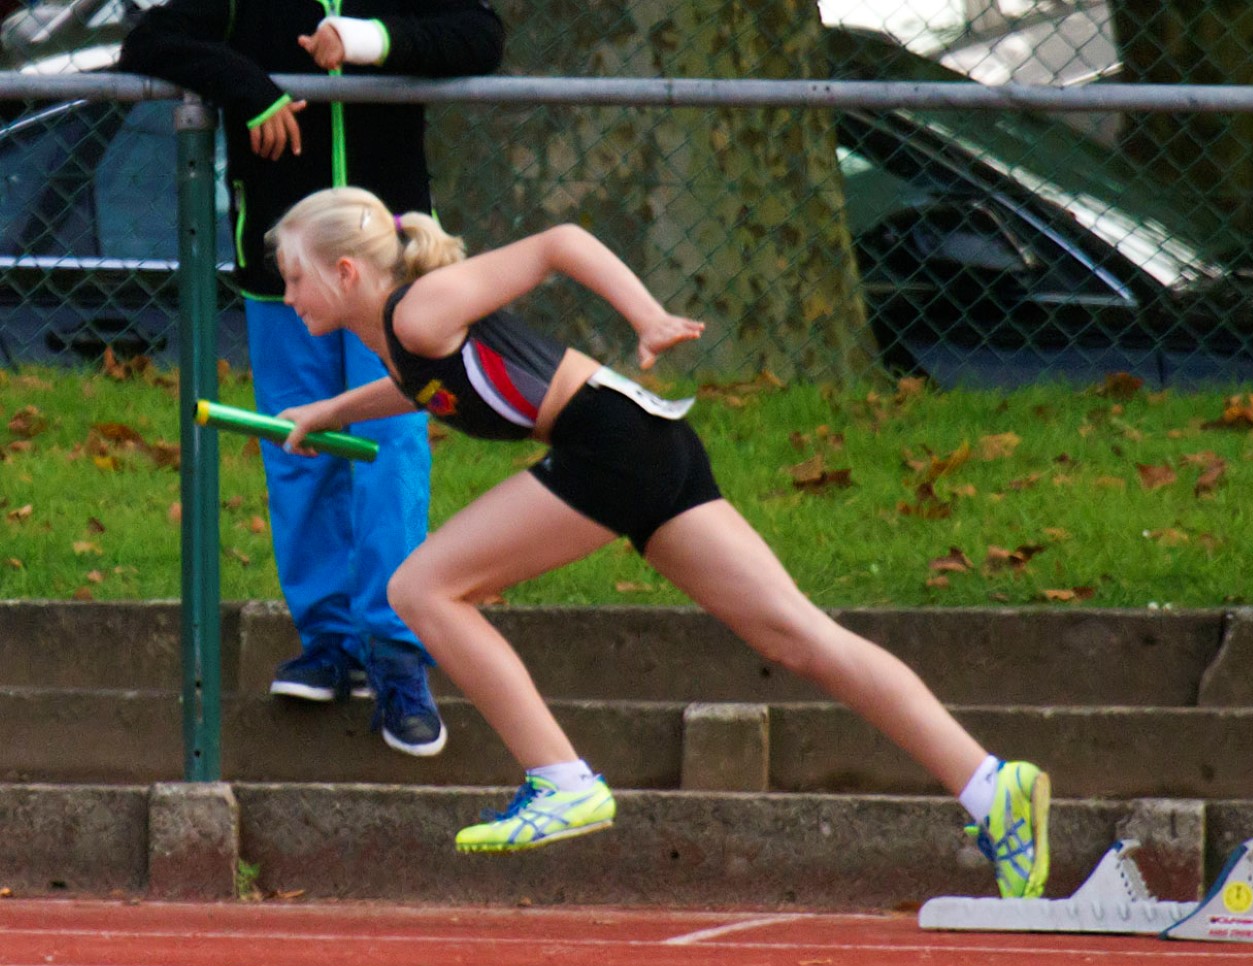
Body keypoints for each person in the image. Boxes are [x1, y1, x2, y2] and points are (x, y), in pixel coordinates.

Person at [270, 185, 1051, 898]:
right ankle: (991, 785)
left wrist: (645, 316)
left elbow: (560, 242)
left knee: (422, 588)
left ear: (344, 271)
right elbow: (419, 387)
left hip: (609, 448)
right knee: (798, 633)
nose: (285, 294)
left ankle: (560, 781)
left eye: (294, 277)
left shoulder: (419, 309)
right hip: (649, 445)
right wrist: (328, 413)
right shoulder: (399, 334)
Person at [118, 1, 506, 758]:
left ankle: (395, 650)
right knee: (299, 449)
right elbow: (151, 38)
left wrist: (367, 41)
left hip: (393, 275)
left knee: (391, 447)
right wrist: (249, 88)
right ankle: (328, 641)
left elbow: (479, 35)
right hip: (285, 282)